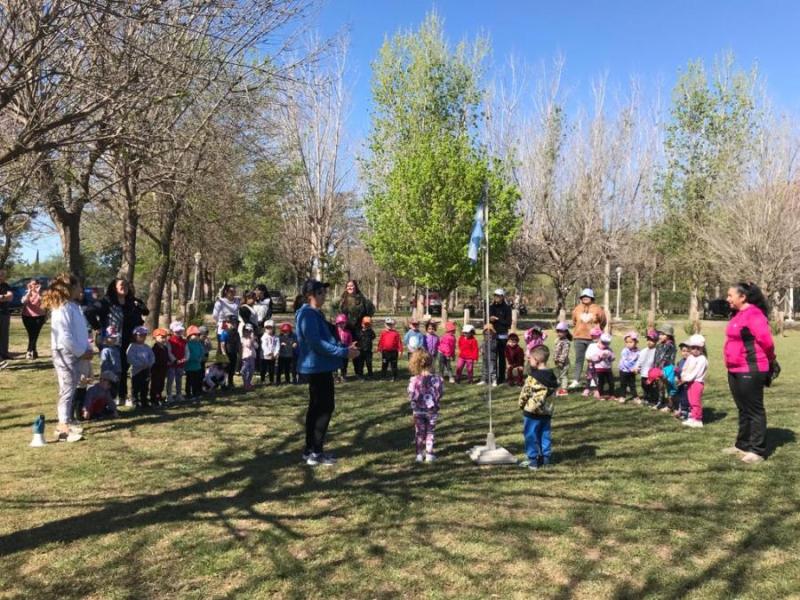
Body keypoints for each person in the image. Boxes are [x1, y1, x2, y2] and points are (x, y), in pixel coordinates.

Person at [295, 279, 359, 466]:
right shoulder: (307, 314)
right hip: (316, 367)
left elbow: (326, 338)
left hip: (320, 366)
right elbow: (316, 343)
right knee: (324, 408)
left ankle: (310, 450)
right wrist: (344, 353)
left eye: (324, 292)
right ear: (310, 295)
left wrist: (345, 348)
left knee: (317, 408)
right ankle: (316, 452)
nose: (324, 295)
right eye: (320, 292)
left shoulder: (314, 313)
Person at [723, 282, 777, 463]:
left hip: (751, 368)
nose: (727, 299)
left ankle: (757, 450)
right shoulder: (737, 314)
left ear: (743, 297)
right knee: (742, 408)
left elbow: (767, 342)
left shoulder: (754, 314)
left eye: (730, 295)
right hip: (734, 368)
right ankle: (742, 444)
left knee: (754, 409)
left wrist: (771, 360)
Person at [41, 274, 92, 442]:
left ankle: (67, 421)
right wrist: (80, 352)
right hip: (65, 353)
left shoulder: (73, 306)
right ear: (70, 288)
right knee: (67, 389)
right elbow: (64, 336)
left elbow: (80, 331)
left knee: (73, 386)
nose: (81, 289)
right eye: (78, 286)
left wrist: (87, 348)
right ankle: (62, 426)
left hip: (77, 352)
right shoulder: (61, 309)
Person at [84, 278, 148, 404]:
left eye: (126, 285)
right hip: (110, 341)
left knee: (123, 367)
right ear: (114, 287)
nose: (125, 287)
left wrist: (139, 305)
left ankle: (122, 396)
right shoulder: (107, 301)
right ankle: (107, 396)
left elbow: (145, 312)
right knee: (110, 368)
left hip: (126, 339)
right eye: (121, 285)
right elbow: (89, 312)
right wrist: (97, 327)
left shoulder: (131, 301)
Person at [517, 345, 559, 470]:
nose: (528, 360)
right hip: (546, 412)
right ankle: (545, 458)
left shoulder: (532, 377)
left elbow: (525, 393)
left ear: (536, 360)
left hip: (532, 412)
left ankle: (533, 460)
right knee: (544, 434)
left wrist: (521, 404)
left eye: (530, 358)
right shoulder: (553, 376)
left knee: (531, 435)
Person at [407, 349, 444, 463]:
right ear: (431, 363)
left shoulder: (414, 379)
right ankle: (429, 454)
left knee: (419, 432)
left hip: (418, 411)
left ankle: (419, 454)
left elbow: (410, 394)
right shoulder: (437, 379)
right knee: (430, 432)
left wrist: (415, 402)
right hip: (432, 411)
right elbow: (440, 393)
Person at [569, 288, 607, 389]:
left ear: (592, 297)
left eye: (587, 296)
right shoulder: (577, 308)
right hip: (578, 338)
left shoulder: (598, 309)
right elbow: (574, 321)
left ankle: (592, 380)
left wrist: (597, 330)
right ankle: (576, 380)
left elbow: (603, 321)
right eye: (583, 296)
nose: (585, 298)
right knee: (579, 359)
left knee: (592, 360)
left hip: (593, 339)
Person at [127, 326, 155, 408]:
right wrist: (140, 364)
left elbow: (152, 356)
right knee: (135, 387)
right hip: (136, 371)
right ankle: (135, 401)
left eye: (144, 335)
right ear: (135, 336)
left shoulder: (147, 347)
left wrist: (149, 364)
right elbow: (130, 358)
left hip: (146, 370)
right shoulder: (132, 347)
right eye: (140, 335)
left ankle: (144, 401)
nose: (142, 337)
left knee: (145, 386)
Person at [489, 289, 512, 384]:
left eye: (498, 296)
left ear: (502, 297)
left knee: (502, 357)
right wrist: (490, 319)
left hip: (502, 336)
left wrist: (498, 319)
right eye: (495, 295)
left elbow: (508, 323)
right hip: (492, 335)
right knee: (493, 357)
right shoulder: (491, 307)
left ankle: (501, 377)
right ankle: (493, 377)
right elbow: (487, 320)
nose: (496, 297)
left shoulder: (507, 308)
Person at [653, 324, 677, 412]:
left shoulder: (670, 346)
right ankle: (660, 402)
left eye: (663, 334)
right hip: (658, 369)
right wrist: (655, 368)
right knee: (660, 386)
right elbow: (656, 357)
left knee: (669, 387)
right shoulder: (659, 345)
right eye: (659, 334)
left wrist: (662, 370)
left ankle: (670, 405)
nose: (660, 336)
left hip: (667, 370)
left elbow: (666, 359)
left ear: (669, 335)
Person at [21, 278, 46, 359]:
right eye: (32, 284)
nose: (33, 286)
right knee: (31, 335)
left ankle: (29, 351)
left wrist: (38, 293)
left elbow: (44, 303)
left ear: (38, 285)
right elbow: (23, 301)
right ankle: (34, 352)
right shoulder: (26, 292)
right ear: (29, 285)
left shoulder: (42, 293)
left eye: (35, 284)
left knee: (35, 334)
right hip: (27, 316)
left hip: (39, 316)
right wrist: (29, 292)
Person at [633, 330, 658, 406]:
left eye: (652, 340)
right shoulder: (643, 351)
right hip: (644, 374)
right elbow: (639, 361)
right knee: (644, 386)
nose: (649, 342)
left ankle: (653, 400)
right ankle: (646, 398)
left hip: (652, 375)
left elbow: (657, 363)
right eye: (648, 340)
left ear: (656, 341)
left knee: (652, 388)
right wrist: (636, 367)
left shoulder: (657, 352)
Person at [150, 328, 173, 406]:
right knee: (155, 384)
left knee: (161, 384)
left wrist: (168, 362)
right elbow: (153, 360)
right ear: (155, 337)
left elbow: (166, 357)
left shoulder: (165, 348)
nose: (164, 339)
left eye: (165, 337)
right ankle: (154, 399)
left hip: (163, 369)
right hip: (156, 370)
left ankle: (159, 397)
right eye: (162, 337)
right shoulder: (154, 348)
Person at [99, 326, 122, 401]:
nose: (114, 339)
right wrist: (108, 375)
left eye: (115, 337)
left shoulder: (117, 349)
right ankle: (107, 404)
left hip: (117, 372)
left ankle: (112, 403)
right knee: (108, 391)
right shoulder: (105, 350)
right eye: (111, 337)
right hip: (109, 375)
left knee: (115, 390)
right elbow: (104, 364)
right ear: (106, 338)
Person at [617, 332, 640, 404]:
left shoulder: (638, 351)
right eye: (626, 342)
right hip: (624, 370)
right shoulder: (625, 351)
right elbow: (625, 361)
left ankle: (635, 397)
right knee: (623, 384)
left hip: (632, 371)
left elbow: (639, 361)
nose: (628, 344)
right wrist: (632, 369)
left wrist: (637, 368)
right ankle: (622, 396)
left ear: (636, 342)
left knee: (632, 384)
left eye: (631, 342)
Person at [184, 325, 206, 399]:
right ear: (189, 335)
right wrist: (195, 358)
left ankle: (195, 392)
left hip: (197, 366)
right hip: (189, 366)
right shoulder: (187, 344)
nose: (197, 336)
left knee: (196, 380)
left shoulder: (198, 343)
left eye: (198, 335)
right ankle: (188, 393)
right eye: (195, 334)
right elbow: (187, 354)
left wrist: (200, 357)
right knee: (189, 380)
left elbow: (202, 351)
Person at [167, 321, 187, 402]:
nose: (179, 332)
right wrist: (174, 360)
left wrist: (185, 359)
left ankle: (179, 394)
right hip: (172, 364)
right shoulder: (169, 341)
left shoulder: (184, 341)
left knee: (179, 379)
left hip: (181, 364)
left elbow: (187, 351)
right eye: (177, 331)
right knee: (170, 380)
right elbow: (169, 352)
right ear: (172, 331)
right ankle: (169, 395)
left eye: (180, 331)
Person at [378, 317, 402, 382]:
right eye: (388, 324)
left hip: (394, 352)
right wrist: (379, 350)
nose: (389, 326)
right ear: (385, 324)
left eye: (391, 324)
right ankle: (383, 377)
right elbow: (381, 342)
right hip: (385, 352)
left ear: (393, 325)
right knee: (384, 365)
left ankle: (395, 377)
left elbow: (399, 342)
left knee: (394, 365)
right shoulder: (383, 333)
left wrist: (400, 350)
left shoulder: (396, 333)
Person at [219, 315, 240, 388]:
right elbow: (222, 344)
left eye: (235, 323)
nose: (234, 324)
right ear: (227, 323)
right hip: (226, 353)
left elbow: (238, 343)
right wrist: (224, 354)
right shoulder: (225, 332)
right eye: (232, 323)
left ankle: (230, 382)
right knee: (225, 369)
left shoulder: (236, 333)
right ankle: (223, 384)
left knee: (232, 369)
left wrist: (239, 352)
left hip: (233, 353)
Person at [553, 322, 572, 395]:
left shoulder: (566, 342)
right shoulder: (559, 340)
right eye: (558, 331)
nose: (559, 333)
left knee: (563, 376)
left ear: (566, 332)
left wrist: (561, 361)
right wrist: (556, 360)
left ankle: (564, 390)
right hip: (558, 362)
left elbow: (564, 353)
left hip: (564, 362)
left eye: (561, 332)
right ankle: (560, 388)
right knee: (559, 375)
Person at [239, 323, 258, 391]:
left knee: (251, 371)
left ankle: (248, 382)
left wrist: (254, 340)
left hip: (252, 356)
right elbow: (248, 345)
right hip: (245, 357)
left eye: (250, 331)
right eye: (246, 331)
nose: (248, 332)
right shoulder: (242, 339)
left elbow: (257, 346)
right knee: (245, 371)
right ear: (243, 331)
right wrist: (251, 339)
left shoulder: (253, 339)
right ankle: (245, 383)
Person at [260, 320, 279, 384]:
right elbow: (264, 346)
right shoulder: (264, 337)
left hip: (273, 356)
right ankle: (262, 380)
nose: (269, 330)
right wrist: (269, 353)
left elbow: (277, 345)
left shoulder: (276, 337)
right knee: (263, 369)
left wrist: (276, 353)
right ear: (265, 329)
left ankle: (271, 380)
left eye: (270, 328)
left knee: (271, 369)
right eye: (267, 328)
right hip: (264, 356)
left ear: (273, 328)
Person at [334, 314, 353, 382]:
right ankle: (335, 377)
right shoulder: (335, 331)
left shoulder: (348, 332)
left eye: (343, 323)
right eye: (340, 323)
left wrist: (350, 346)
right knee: (335, 364)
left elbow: (350, 341)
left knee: (344, 364)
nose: (341, 325)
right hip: (336, 350)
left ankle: (343, 375)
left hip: (345, 350)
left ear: (345, 323)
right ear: (337, 323)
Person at [0, 268, 13, 364]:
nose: (2, 277)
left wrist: (2, 297)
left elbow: (10, 296)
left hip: (5, 313)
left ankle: (4, 353)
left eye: (3, 275)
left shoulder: (6, 285)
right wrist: (5, 297)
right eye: (1, 275)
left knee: (4, 334)